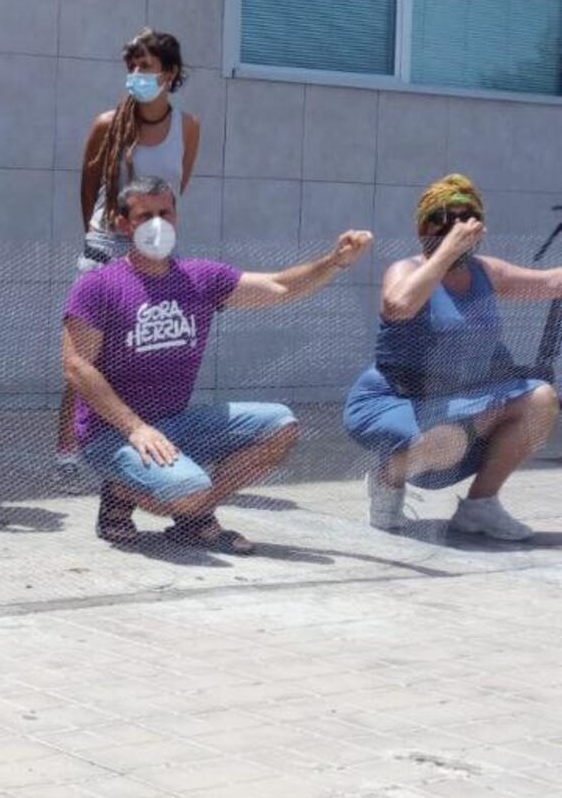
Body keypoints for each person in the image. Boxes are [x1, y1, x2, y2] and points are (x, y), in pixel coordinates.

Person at [62, 175, 371, 552]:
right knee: (187, 490)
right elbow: (78, 366)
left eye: (165, 212)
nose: (158, 223)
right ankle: (128, 492)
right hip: (112, 435)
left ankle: (193, 514)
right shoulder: (99, 286)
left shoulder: (200, 278)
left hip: (178, 425)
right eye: (145, 215)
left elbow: (279, 286)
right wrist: (136, 428)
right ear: (124, 224)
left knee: (280, 426)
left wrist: (334, 262)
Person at [346, 175, 562, 539]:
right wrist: (445, 253)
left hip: (465, 396)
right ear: (423, 227)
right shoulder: (406, 270)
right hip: (400, 397)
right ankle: (388, 477)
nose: (453, 227)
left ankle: (480, 507)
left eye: (465, 218)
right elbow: (398, 306)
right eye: (442, 218)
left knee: (540, 399)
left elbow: (551, 283)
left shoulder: (485, 271)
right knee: (450, 440)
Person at [59, 28, 202, 472]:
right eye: (132, 67)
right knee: (86, 355)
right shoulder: (108, 124)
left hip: (156, 249)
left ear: (170, 73)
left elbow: (177, 186)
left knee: (144, 348)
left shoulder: (188, 127)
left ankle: (137, 441)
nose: (137, 75)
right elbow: (88, 186)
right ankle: (67, 448)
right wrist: (99, 234)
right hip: (107, 245)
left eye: (147, 67)